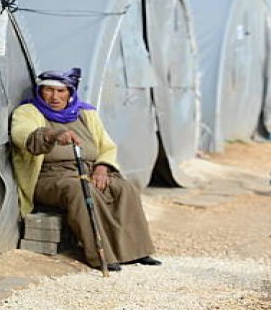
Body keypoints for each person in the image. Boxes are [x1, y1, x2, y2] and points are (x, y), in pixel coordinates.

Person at [11, 68, 160, 272]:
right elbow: (21, 135)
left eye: (61, 91)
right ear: (40, 92)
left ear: (70, 93)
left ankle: (135, 251)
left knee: (125, 188)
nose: (55, 97)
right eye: (48, 90)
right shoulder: (28, 112)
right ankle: (101, 255)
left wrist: (101, 167)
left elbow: (107, 146)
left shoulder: (86, 113)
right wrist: (52, 135)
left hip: (88, 169)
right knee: (81, 190)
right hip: (49, 176)